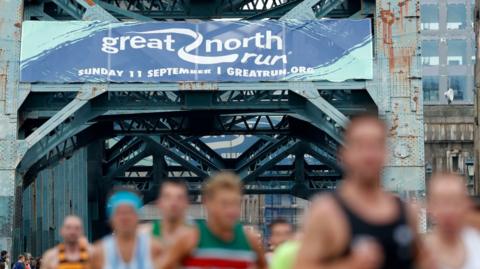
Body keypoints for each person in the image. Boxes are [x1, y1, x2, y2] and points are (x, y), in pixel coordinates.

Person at [294, 115, 432, 269]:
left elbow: (423, 261)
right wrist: (350, 265)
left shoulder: (407, 212)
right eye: (360, 146)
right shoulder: (327, 212)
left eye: (376, 146)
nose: (369, 155)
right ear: (344, 154)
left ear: (386, 153)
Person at [159, 171, 268, 269]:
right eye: (224, 204)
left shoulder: (249, 240)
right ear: (207, 202)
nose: (231, 211)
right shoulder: (190, 240)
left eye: (236, 203)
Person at [90, 187, 162, 269]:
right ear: (110, 218)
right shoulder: (99, 252)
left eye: (129, 212)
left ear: (138, 216)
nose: (124, 218)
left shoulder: (155, 249)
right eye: (119, 212)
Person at [425, 172, 480, 269]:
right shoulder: (420, 254)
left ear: (466, 204)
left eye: (455, 202)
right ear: (430, 206)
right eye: (441, 202)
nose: (448, 210)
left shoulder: (476, 242)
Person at [140, 179, 190, 246]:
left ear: (186, 202)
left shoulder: (198, 235)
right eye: (167, 197)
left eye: (179, 197)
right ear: (159, 202)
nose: (173, 203)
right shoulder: (143, 235)